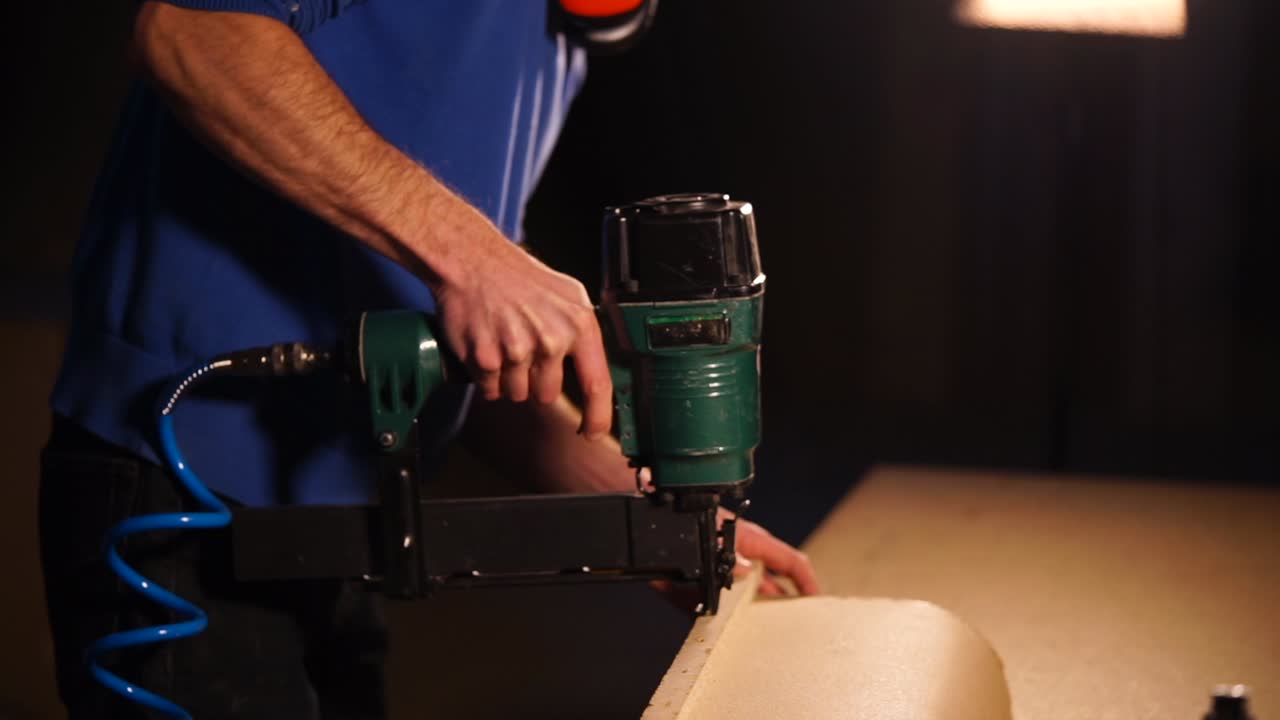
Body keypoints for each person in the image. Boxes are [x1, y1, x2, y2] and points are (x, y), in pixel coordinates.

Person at [40, 2, 821, 718]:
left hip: (338, 519)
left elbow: (459, 339)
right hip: (180, 482)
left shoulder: (558, 46)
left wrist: (647, 509)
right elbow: (193, 32)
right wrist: (473, 255)